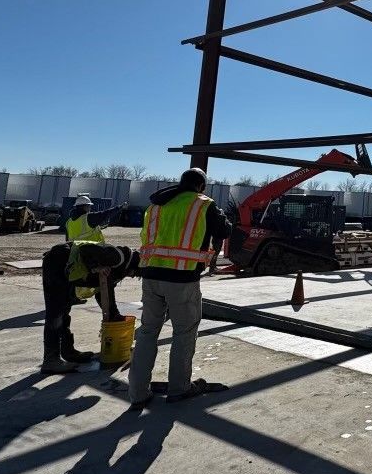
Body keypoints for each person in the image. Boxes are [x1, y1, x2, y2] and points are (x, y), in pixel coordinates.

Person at [128, 167, 232, 407]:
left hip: (151, 275)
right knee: (184, 333)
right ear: (201, 187)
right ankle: (179, 388)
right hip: (182, 278)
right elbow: (224, 230)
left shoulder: (156, 205)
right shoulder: (203, 205)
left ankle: (137, 393)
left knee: (147, 331)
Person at [40, 241, 139, 374]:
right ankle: (50, 361)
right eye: (134, 274)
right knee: (56, 313)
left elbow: (103, 289)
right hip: (57, 261)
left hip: (67, 268)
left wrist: (113, 314)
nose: (131, 276)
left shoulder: (118, 267)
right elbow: (86, 249)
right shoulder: (117, 257)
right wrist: (94, 268)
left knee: (64, 310)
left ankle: (68, 352)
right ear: (132, 266)